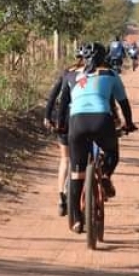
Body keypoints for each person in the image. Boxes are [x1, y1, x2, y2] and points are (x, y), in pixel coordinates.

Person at [57, 42, 137, 233]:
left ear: (82, 58)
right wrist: (129, 123)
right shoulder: (110, 74)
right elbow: (123, 103)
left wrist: (61, 125)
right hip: (102, 120)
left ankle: (76, 220)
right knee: (112, 153)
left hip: (77, 123)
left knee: (77, 174)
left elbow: (62, 105)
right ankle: (106, 175)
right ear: (105, 57)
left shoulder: (71, 74)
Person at [43, 47, 85, 216]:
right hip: (84, 120)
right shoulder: (96, 73)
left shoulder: (67, 72)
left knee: (65, 159)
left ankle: (62, 198)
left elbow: (53, 95)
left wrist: (47, 116)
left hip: (66, 120)